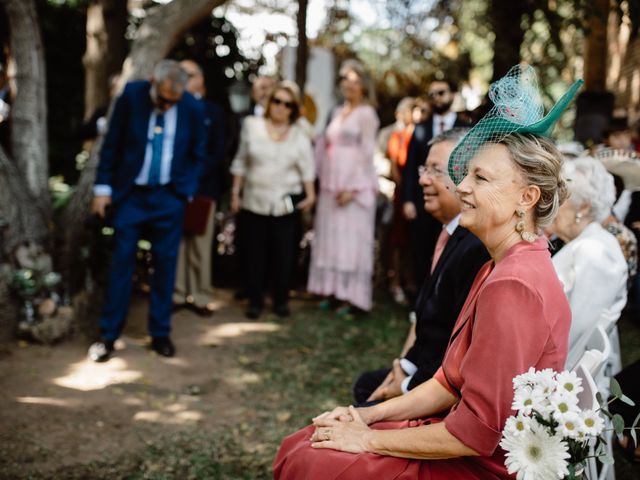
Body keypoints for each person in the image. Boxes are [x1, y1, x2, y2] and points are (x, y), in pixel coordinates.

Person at [274, 65, 579, 480]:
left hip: (478, 463)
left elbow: (475, 434)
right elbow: (449, 383)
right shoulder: (501, 262)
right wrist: (366, 415)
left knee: (309, 457)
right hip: (456, 435)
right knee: (308, 441)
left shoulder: (514, 284)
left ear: (526, 198)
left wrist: (368, 439)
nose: (462, 187)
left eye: (480, 177)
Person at [353, 128, 489, 404]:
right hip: (421, 368)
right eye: (424, 169)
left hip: (438, 387)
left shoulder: (475, 247)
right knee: (365, 385)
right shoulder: (449, 233)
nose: (423, 180)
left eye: (436, 171)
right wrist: (402, 366)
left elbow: (456, 349)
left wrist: (405, 387)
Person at [88, 59, 206, 362]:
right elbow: (111, 144)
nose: (167, 106)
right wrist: (103, 189)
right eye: (163, 99)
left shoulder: (192, 106)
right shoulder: (131, 95)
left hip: (169, 198)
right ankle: (108, 335)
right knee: (121, 264)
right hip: (132, 197)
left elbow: (198, 154)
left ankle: (160, 334)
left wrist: (185, 192)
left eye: (173, 102)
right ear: (153, 82)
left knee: (166, 268)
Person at [230, 81, 315, 319]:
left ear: (293, 109)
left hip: (284, 204)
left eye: (287, 104)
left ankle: (281, 299)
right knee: (254, 255)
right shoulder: (251, 126)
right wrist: (236, 193)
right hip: (254, 201)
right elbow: (240, 161)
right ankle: (255, 300)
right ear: (269, 103)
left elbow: (307, 168)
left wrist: (310, 196)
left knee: (283, 255)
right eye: (276, 101)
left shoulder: (300, 134)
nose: (281, 107)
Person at [307, 60, 379, 314]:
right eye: (345, 80)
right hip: (330, 186)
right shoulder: (337, 112)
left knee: (351, 241)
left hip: (353, 189)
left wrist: (355, 188)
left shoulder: (367, 114)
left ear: (363, 85)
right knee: (331, 239)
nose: (349, 84)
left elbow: (367, 154)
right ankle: (333, 291)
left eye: (354, 80)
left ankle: (353, 297)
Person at [549, 156, 628, 369]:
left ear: (583, 207)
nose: (551, 204)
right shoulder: (582, 243)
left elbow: (577, 333)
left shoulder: (596, 252)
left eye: (560, 196)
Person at [401, 79, 471, 290]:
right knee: (422, 251)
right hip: (424, 201)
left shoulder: (467, 127)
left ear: (452, 94)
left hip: (454, 203)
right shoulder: (420, 128)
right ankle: (422, 300)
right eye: (432, 94)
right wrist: (407, 200)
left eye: (441, 92)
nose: (436, 98)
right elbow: (411, 166)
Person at [172, 60, 226, 314]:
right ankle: (178, 294)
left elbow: (217, 152)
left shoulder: (213, 112)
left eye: (189, 74)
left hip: (204, 187)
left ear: (201, 79)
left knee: (201, 247)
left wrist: (194, 177)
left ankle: (201, 296)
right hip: (176, 188)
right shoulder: (173, 107)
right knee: (179, 244)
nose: (182, 78)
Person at [385, 97, 417, 304]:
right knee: (398, 239)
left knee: (413, 240)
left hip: (418, 193)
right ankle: (395, 282)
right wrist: (405, 189)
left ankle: (411, 280)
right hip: (402, 193)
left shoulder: (420, 134)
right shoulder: (397, 137)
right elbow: (395, 167)